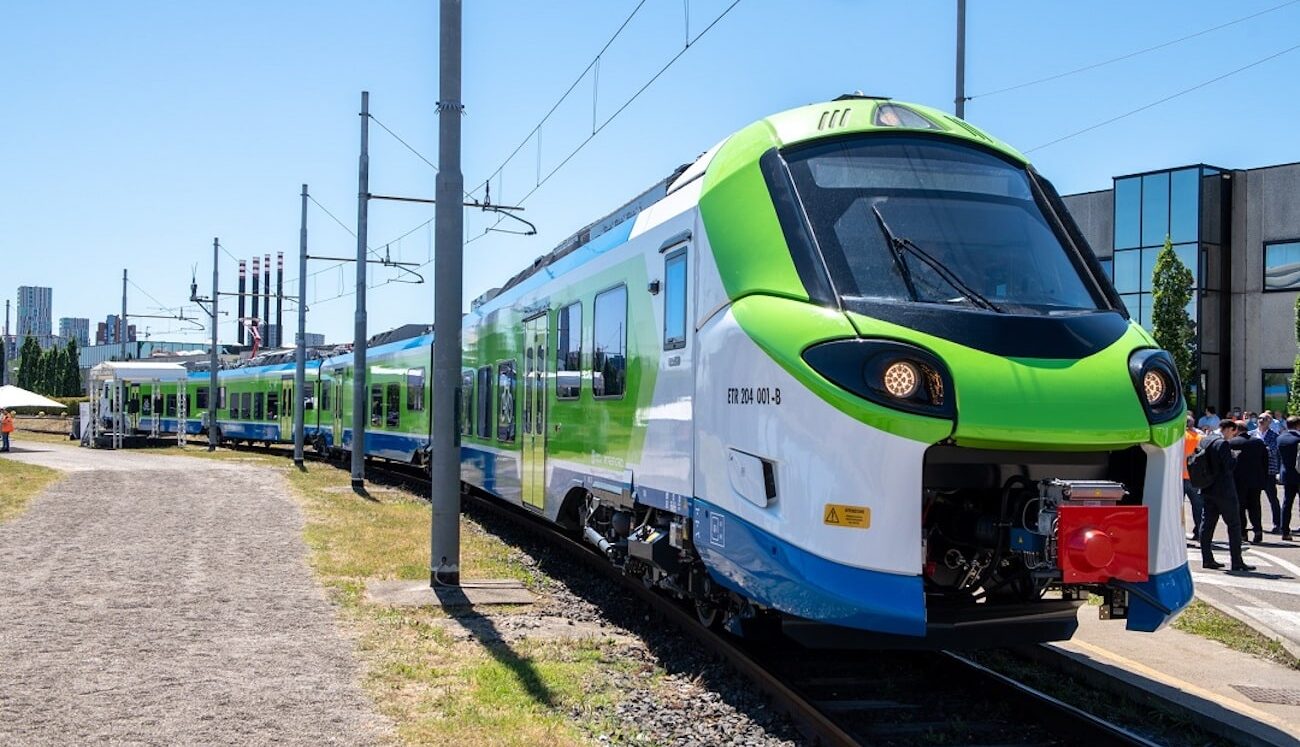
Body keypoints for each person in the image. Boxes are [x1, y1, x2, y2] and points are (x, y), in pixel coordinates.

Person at [1199, 420, 1255, 571]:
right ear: (1229, 429)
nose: (1233, 436)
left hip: (1207, 488)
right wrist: (1234, 456)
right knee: (1234, 525)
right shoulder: (1222, 444)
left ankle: (1207, 559)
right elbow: (1229, 466)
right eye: (1233, 432)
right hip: (1224, 490)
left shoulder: (1205, 440)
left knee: (1207, 525)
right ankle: (1236, 561)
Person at [1231, 425, 1269, 545]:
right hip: (1256, 480)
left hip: (1238, 481)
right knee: (1255, 506)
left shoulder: (1232, 442)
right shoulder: (1258, 442)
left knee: (1240, 507)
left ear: (1236, 430)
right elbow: (1265, 461)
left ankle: (1243, 533)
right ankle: (1258, 530)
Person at [1252, 412, 1283, 533]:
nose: (1261, 420)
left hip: (1268, 472)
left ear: (1269, 421)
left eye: (1264, 419)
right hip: (1254, 472)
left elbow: (1273, 451)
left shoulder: (1274, 436)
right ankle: (1256, 524)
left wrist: (1258, 450)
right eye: (1259, 418)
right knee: (1253, 500)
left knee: (1272, 499)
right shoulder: (1251, 434)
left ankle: (1277, 524)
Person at [1276, 416, 1300, 542]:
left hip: (1286, 474)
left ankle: (1285, 530)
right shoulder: (1298, 439)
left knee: (1287, 503)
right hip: (1299, 473)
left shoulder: (1280, 438)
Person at [1183, 415, 1204, 539]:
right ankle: (1200, 532)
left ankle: (1178, 533)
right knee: (1198, 507)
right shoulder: (1200, 438)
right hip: (1195, 478)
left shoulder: (1178, 437)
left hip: (1178, 478)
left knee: (1177, 509)